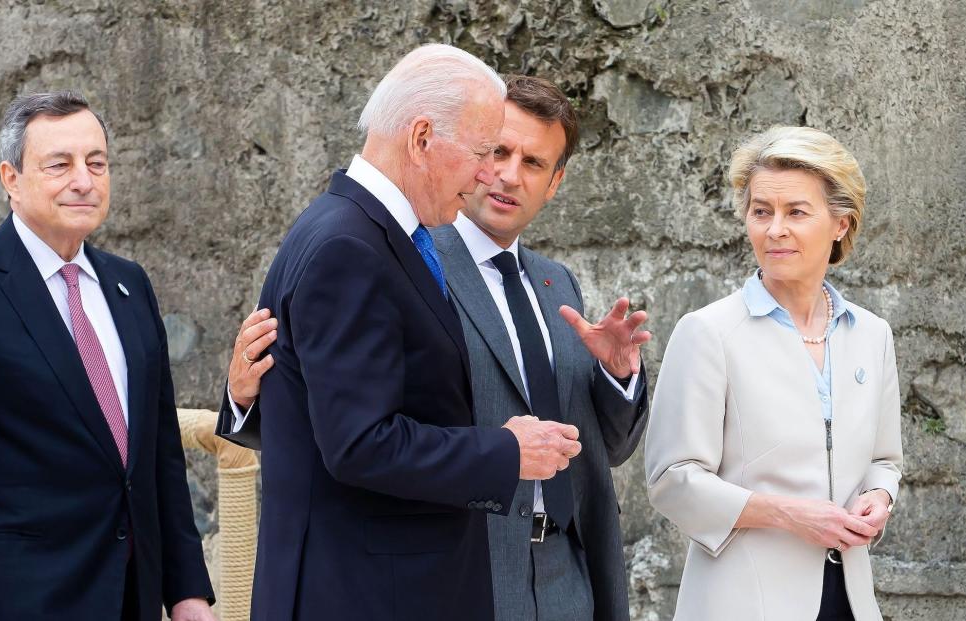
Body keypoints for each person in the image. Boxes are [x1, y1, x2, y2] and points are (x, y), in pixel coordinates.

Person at [225, 75, 652, 621]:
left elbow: (598, 448)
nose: (503, 175)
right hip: (466, 574)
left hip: (567, 579)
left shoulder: (558, 285)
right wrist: (246, 397)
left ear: (555, 182)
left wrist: (620, 378)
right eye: (495, 151)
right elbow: (346, 425)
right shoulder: (405, 263)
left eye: (533, 163)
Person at [0, 91, 215, 621]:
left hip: (132, 595)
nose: (84, 180)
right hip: (16, 598)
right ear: (10, 179)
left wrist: (187, 592)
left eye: (97, 163)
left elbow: (158, 457)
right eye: (59, 164)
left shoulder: (130, 285)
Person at [643, 125, 903, 621]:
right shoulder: (708, 332)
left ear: (840, 223)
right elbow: (671, 480)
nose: (774, 229)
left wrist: (878, 494)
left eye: (796, 212)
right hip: (741, 602)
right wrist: (788, 514)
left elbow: (885, 459)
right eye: (761, 212)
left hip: (849, 600)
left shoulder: (872, 334)